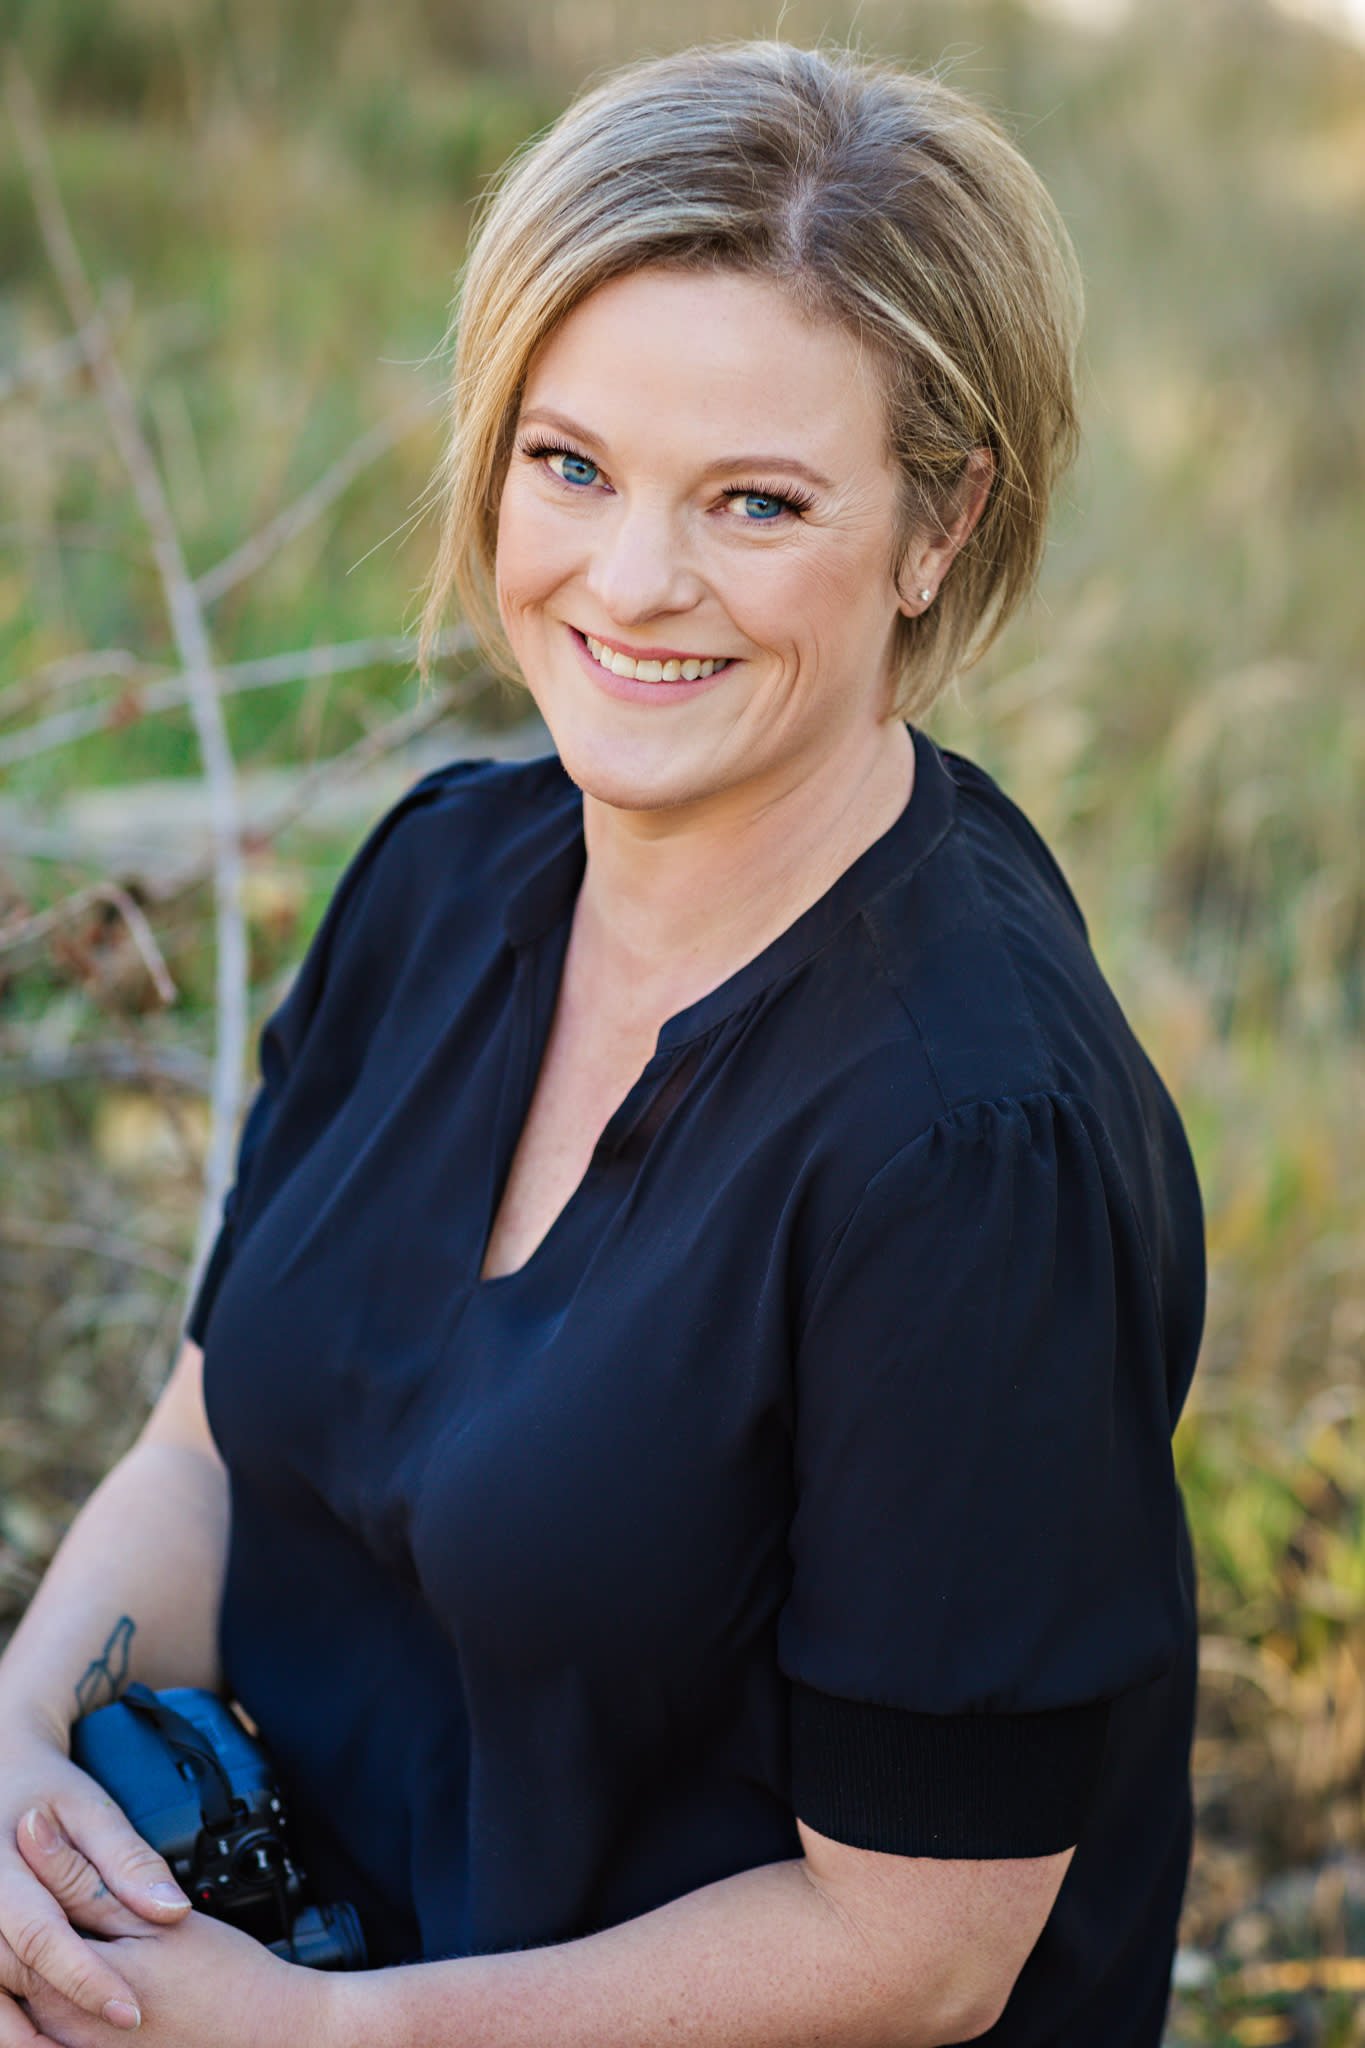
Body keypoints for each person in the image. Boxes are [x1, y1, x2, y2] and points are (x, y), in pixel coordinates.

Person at [0, 38, 1204, 2048]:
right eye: (569, 464)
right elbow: (210, 1451)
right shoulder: (440, 878)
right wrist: (27, 1746)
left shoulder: (969, 1145)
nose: (628, 583)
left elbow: (914, 1951)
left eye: (752, 500)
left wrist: (322, 2041)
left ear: (933, 527)